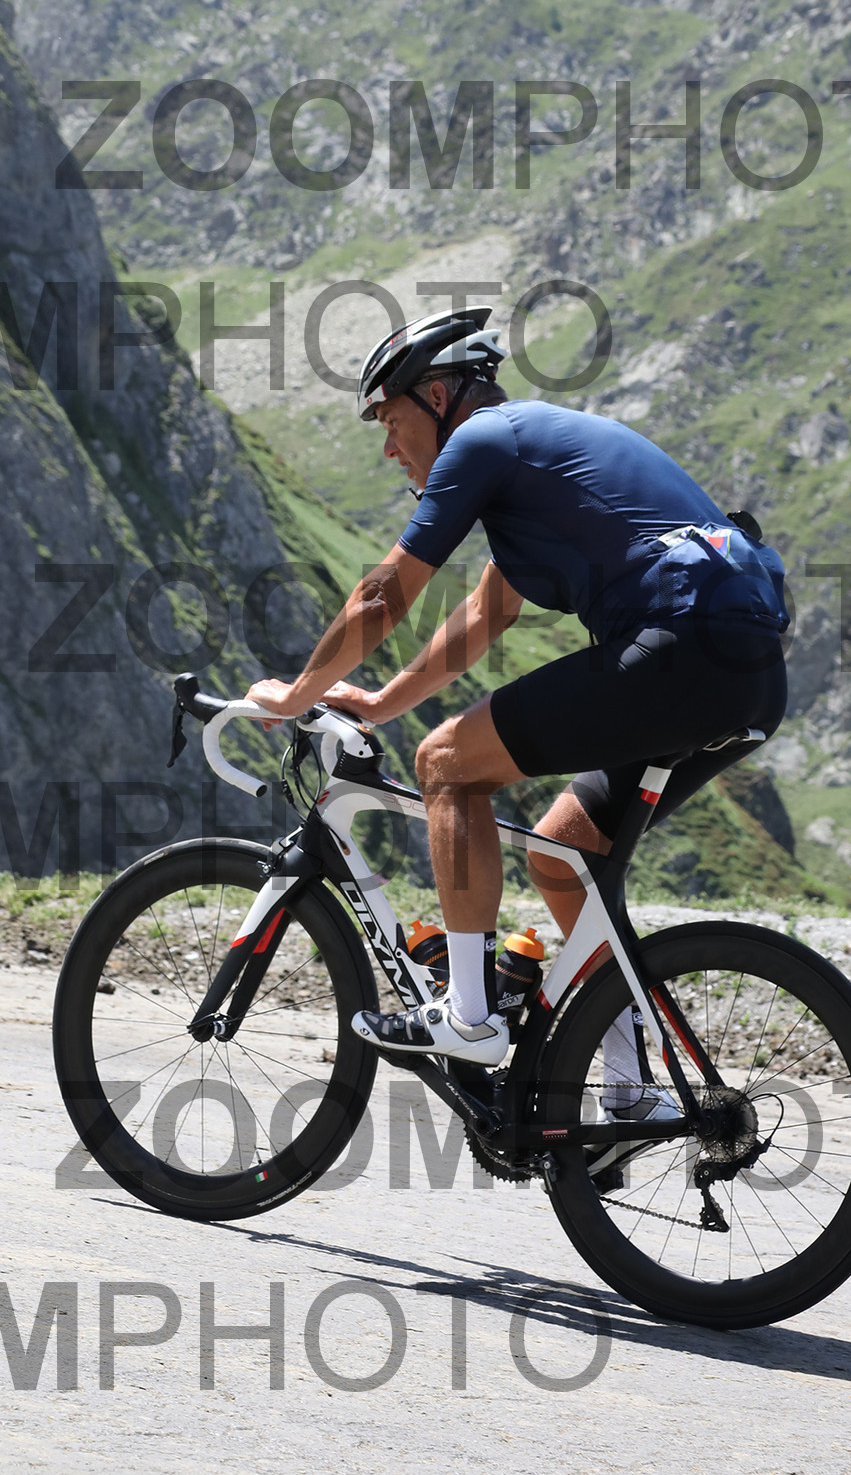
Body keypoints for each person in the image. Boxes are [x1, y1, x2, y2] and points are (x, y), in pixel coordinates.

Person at [243, 307, 789, 1120]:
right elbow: (484, 614)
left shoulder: (483, 440)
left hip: (681, 648)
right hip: (749, 675)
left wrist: (293, 696)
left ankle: (468, 1017)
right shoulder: (541, 456)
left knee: (446, 766)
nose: (389, 448)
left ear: (436, 396)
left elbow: (386, 592)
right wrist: (382, 702)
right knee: (565, 852)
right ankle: (630, 1094)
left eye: (390, 422)